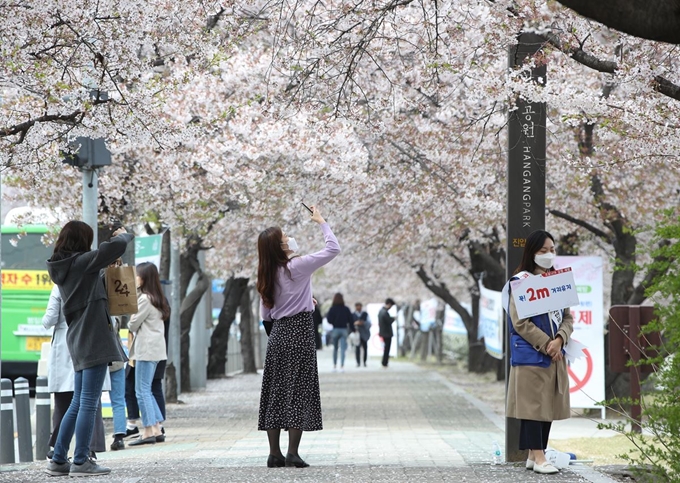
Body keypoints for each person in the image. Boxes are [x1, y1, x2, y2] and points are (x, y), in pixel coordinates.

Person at [45, 221, 133, 477]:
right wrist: (124, 235)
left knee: (77, 402)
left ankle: (59, 458)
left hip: (78, 338)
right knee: (88, 403)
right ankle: (82, 460)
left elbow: (91, 288)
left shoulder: (65, 267)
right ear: (81, 240)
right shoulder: (81, 263)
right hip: (93, 337)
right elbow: (115, 245)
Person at [257, 205, 340, 468]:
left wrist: (306, 301)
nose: (289, 238)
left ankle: (274, 453)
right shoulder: (298, 266)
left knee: (277, 391)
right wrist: (322, 222)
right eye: (285, 237)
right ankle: (292, 452)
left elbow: (266, 314)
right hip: (301, 332)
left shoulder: (266, 273)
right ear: (281, 247)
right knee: (300, 390)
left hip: (278, 334)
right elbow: (333, 249)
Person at [504, 230, 574, 475]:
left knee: (547, 405)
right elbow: (520, 322)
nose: (548, 255)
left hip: (554, 353)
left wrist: (560, 339)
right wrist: (547, 343)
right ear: (531, 253)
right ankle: (540, 456)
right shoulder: (521, 282)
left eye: (552, 250)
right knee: (532, 406)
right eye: (543, 251)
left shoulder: (557, 282)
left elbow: (567, 317)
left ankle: (535, 455)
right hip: (532, 353)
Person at [42, 285, 109, 460]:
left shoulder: (60, 286)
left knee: (65, 401)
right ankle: (90, 449)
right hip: (93, 341)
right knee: (91, 399)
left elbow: (49, 319)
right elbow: (113, 318)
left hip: (66, 344)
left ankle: (57, 450)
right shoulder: (97, 281)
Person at [127, 262, 169, 446]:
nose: (135, 278)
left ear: (144, 278)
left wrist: (131, 316)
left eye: (137, 275)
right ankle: (157, 428)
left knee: (141, 391)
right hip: (156, 350)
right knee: (148, 390)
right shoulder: (157, 298)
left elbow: (132, 324)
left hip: (146, 350)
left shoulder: (145, 299)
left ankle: (148, 431)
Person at [326, 292, 353, 372]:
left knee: (335, 349)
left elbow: (329, 320)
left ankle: (334, 366)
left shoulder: (332, 309)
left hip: (335, 329)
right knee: (342, 349)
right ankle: (342, 366)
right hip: (344, 329)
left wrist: (334, 321)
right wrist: (353, 329)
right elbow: (350, 320)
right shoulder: (346, 309)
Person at [378, 298, 396, 368]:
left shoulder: (381, 311)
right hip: (386, 333)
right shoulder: (384, 312)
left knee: (386, 348)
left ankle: (385, 361)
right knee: (387, 348)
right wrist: (393, 319)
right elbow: (388, 321)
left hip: (383, 332)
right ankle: (384, 362)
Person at [352, 302, 371, 367]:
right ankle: (358, 362)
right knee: (357, 348)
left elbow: (369, 323)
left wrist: (363, 323)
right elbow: (350, 324)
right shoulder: (353, 315)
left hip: (364, 333)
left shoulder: (365, 314)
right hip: (357, 333)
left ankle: (364, 361)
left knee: (365, 348)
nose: (358, 308)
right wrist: (355, 324)